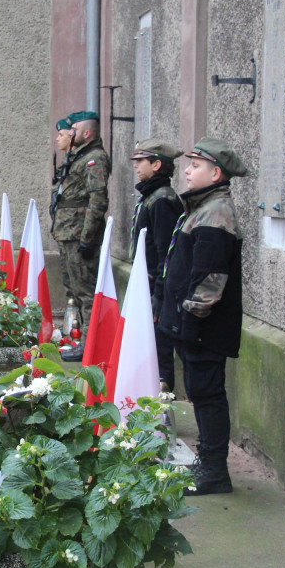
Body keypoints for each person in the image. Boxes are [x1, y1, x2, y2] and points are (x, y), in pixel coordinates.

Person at [158, 136, 246, 496]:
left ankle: (214, 471)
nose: (187, 170)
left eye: (195, 166)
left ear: (216, 173)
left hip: (203, 328)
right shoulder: (202, 208)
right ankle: (208, 463)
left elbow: (210, 278)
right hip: (192, 326)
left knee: (208, 395)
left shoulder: (216, 212)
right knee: (201, 393)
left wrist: (190, 323)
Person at [49, 111, 110, 362]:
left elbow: (97, 200)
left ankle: (90, 345)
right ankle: (81, 340)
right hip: (68, 234)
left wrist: (87, 238)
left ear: (86, 133)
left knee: (86, 292)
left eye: (71, 130)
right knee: (74, 289)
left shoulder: (94, 158)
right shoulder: (80, 157)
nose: (66, 135)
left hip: (79, 235)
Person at [129, 139, 185, 392]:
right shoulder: (151, 196)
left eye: (141, 161)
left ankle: (161, 411)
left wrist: (158, 297)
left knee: (159, 354)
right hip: (146, 286)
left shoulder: (162, 200)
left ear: (157, 164)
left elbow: (166, 254)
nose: (137, 167)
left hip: (155, 288)